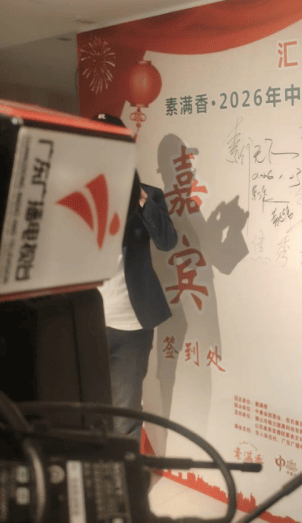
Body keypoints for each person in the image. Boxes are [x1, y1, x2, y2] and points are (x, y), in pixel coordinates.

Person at [94, 113, 178, 443]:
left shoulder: (149, 196)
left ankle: (124, 475)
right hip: (84, 319)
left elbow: (167, 241)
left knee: (124, 418)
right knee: (83, 410)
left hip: (130, 325)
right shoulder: (75, 191)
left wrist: (139, 196)